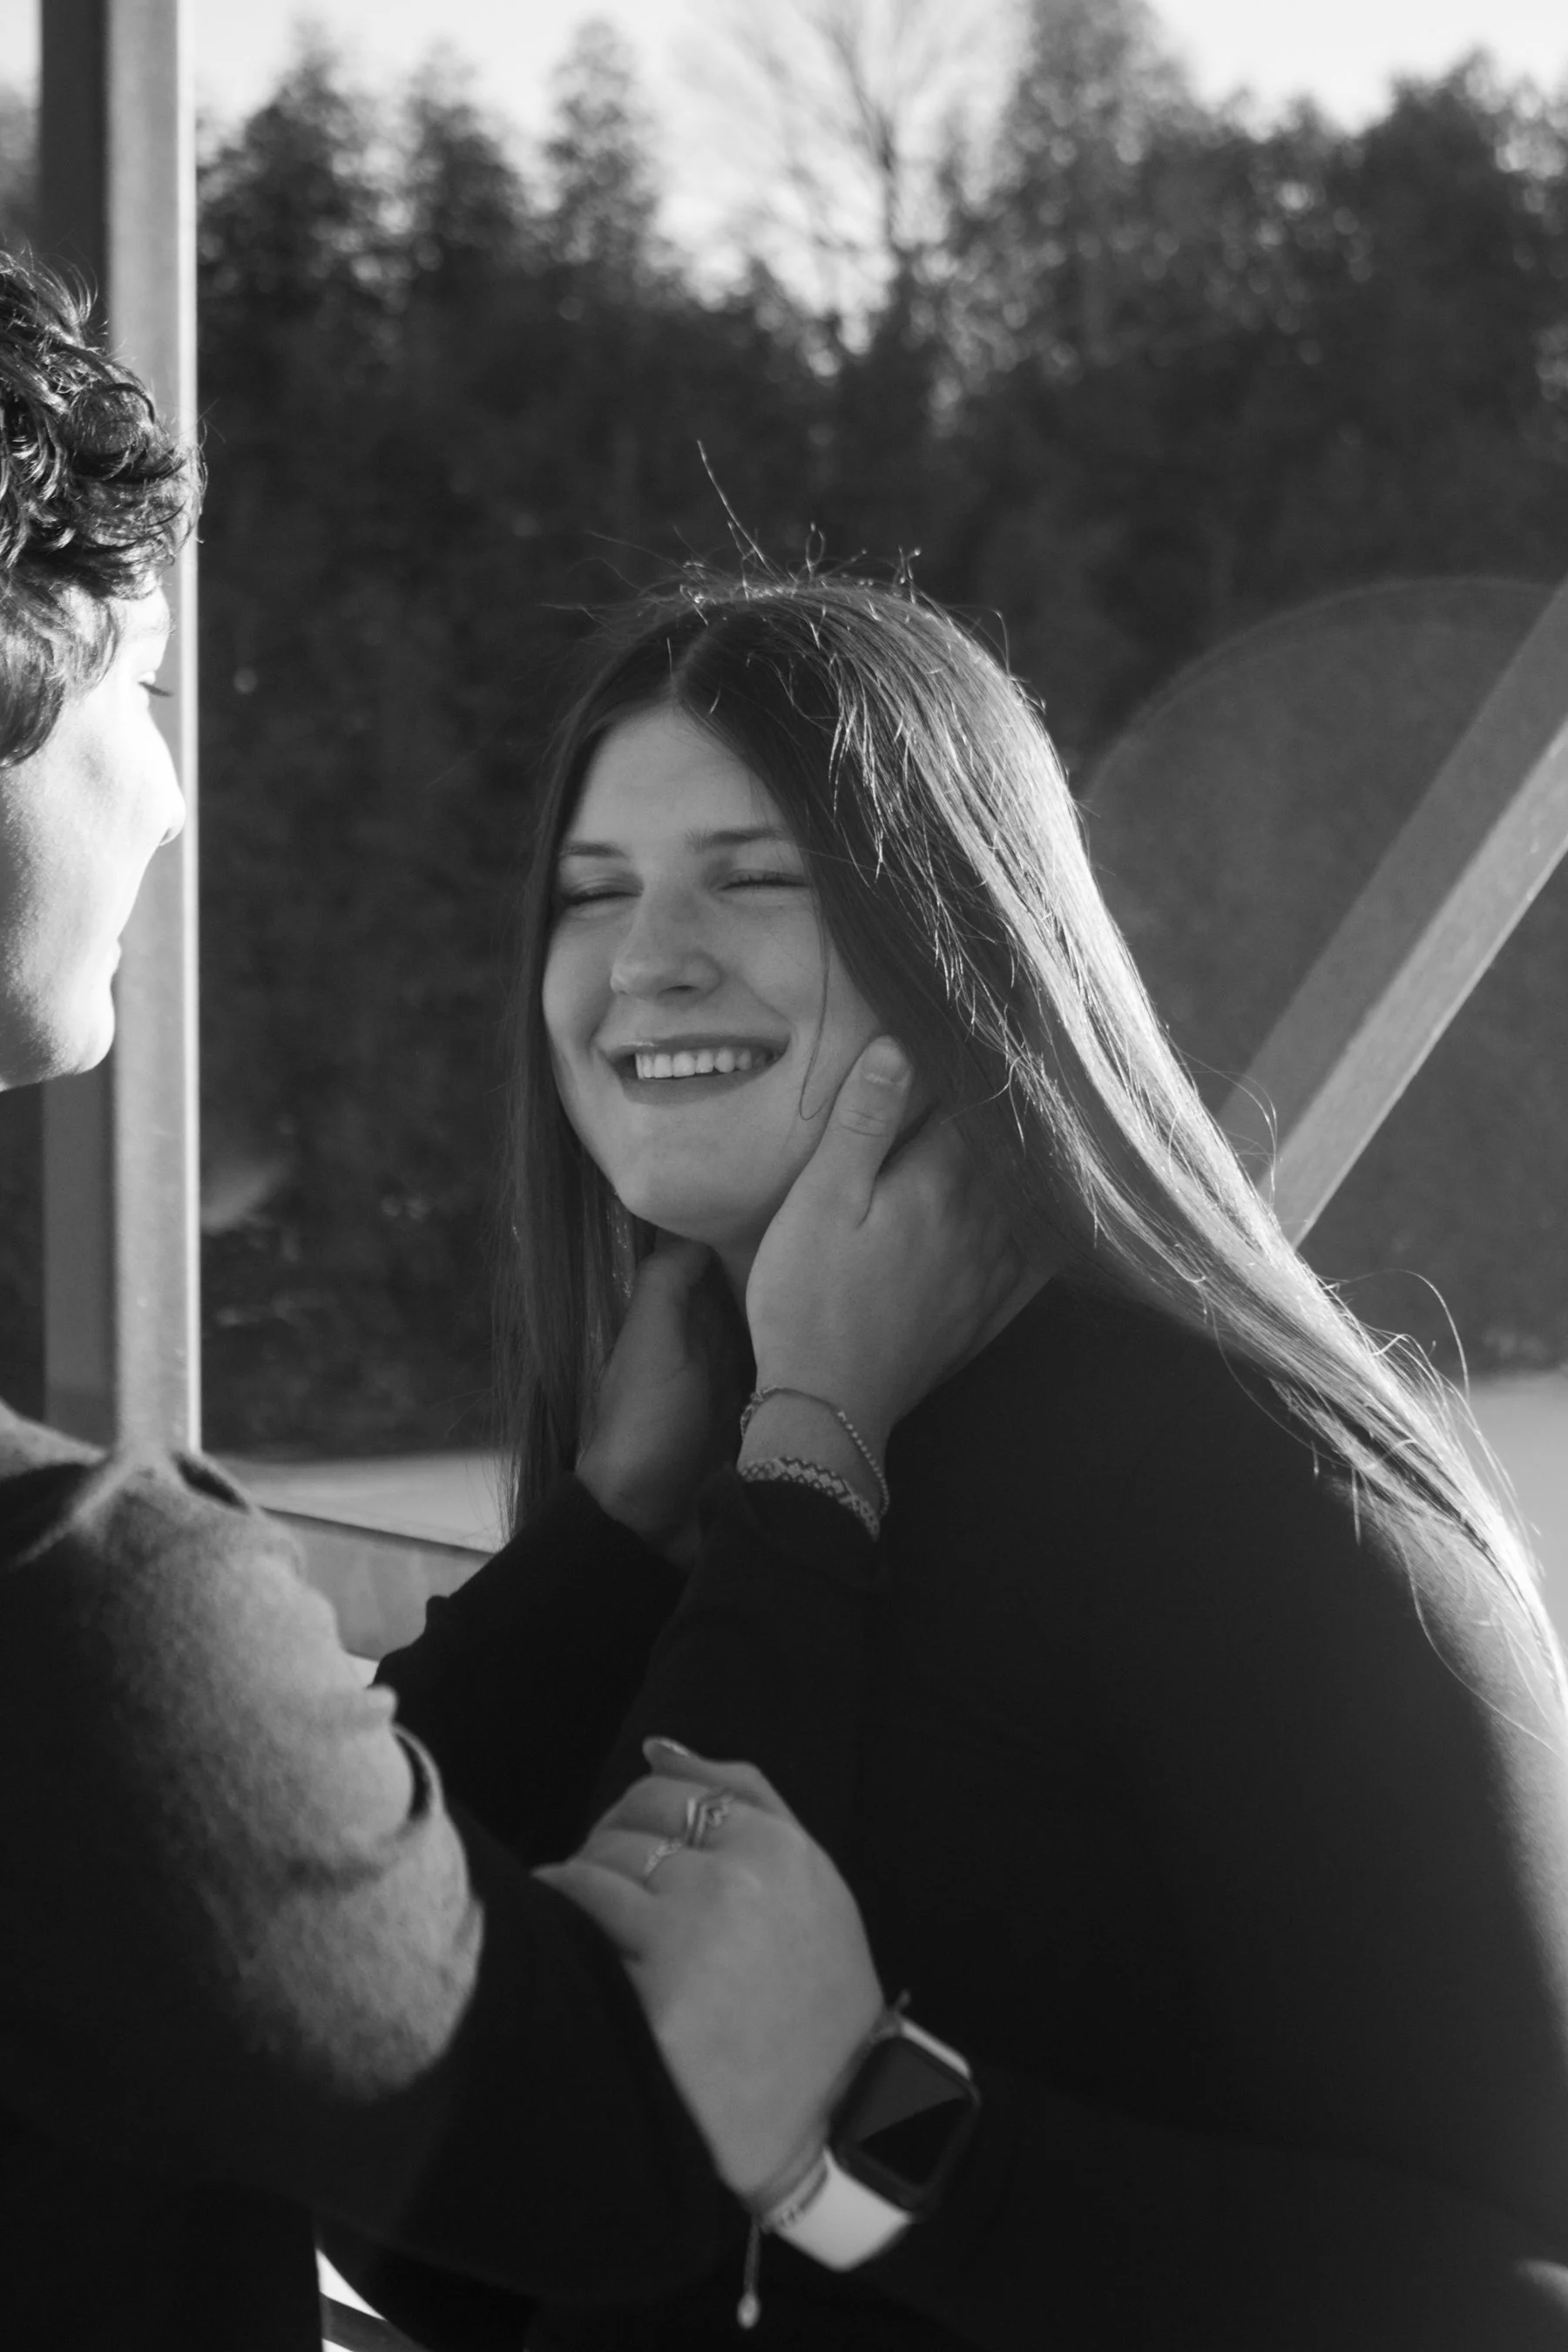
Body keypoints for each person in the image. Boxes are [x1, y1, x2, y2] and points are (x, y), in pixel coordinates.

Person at [368, 571, 1568, 2349]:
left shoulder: (1230, 1492)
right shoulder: (710, 1491)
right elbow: (425, 2168)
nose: (648, 958)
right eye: (592, 894)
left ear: (958, 937)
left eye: (755, 875)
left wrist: (868, 2126)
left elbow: (1514, 2295)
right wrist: (611, 1535)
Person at [0, 253, 1010, 2351]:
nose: (178, 797)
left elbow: (255, 1922)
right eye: (147, 691)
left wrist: (614, 1530)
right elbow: (599, 2161)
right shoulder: (68, 1607)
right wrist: (803, 1454)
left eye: (759, 876)